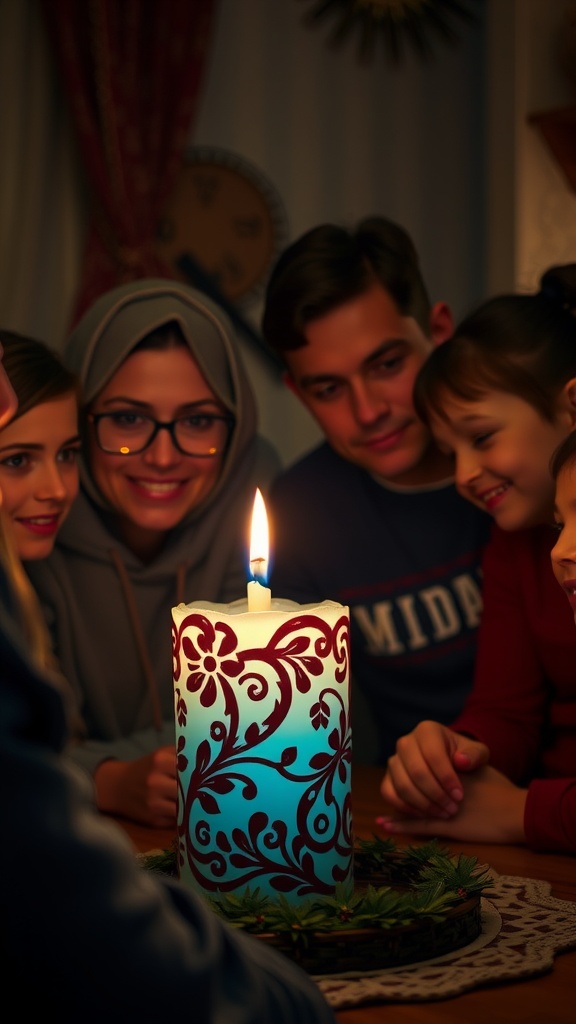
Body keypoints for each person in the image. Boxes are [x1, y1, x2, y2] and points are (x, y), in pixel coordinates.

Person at [0, 334, 336, 1023]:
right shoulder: (42, 579)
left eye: (65, 455)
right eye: (15, 460)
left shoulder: (263, 504)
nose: (55, 487)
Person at [27, 279, 279, 828]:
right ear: (79, 418)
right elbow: (15, 753)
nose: (162, 456)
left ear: (234, 432)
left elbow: (298, 721)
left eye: (196, 422)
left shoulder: (264, 506)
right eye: (127, 419)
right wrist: (109, 779)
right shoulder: (29, 530)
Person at [261, 217, 492, 764]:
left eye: (387, 365)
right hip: (424, 811)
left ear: (438, 332)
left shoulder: (525, 464)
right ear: (298, 393)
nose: (368, 412)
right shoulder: (300, 514)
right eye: (329, 388)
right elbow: (294, 731)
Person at [378, 265, 576, 854]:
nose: (463, 474)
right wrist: (454, 755)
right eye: (449, 451)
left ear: (571, 406)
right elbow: (506, 710)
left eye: (482, 437)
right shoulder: (514, 544)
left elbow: (514, 809)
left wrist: (519, 813)